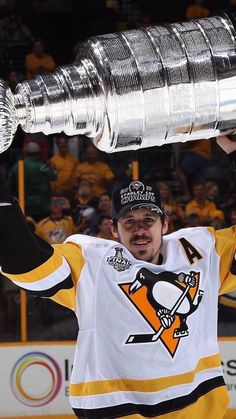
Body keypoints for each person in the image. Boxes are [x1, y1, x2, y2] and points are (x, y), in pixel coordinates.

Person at [0, 137, 236, 419]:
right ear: (113, 228)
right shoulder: (91, 261)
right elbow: (23, 260)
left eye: (148, 220)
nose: (139, 230)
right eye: (129, 222)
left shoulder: (201, 252)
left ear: (165, 223)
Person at [8, 142, 57, 221]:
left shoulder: (16, 167)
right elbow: (54, 177)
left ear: (26, 153)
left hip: (24, 207)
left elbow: (9, 188)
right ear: (38, 153)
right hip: (42, 207)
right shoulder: (41, 167)